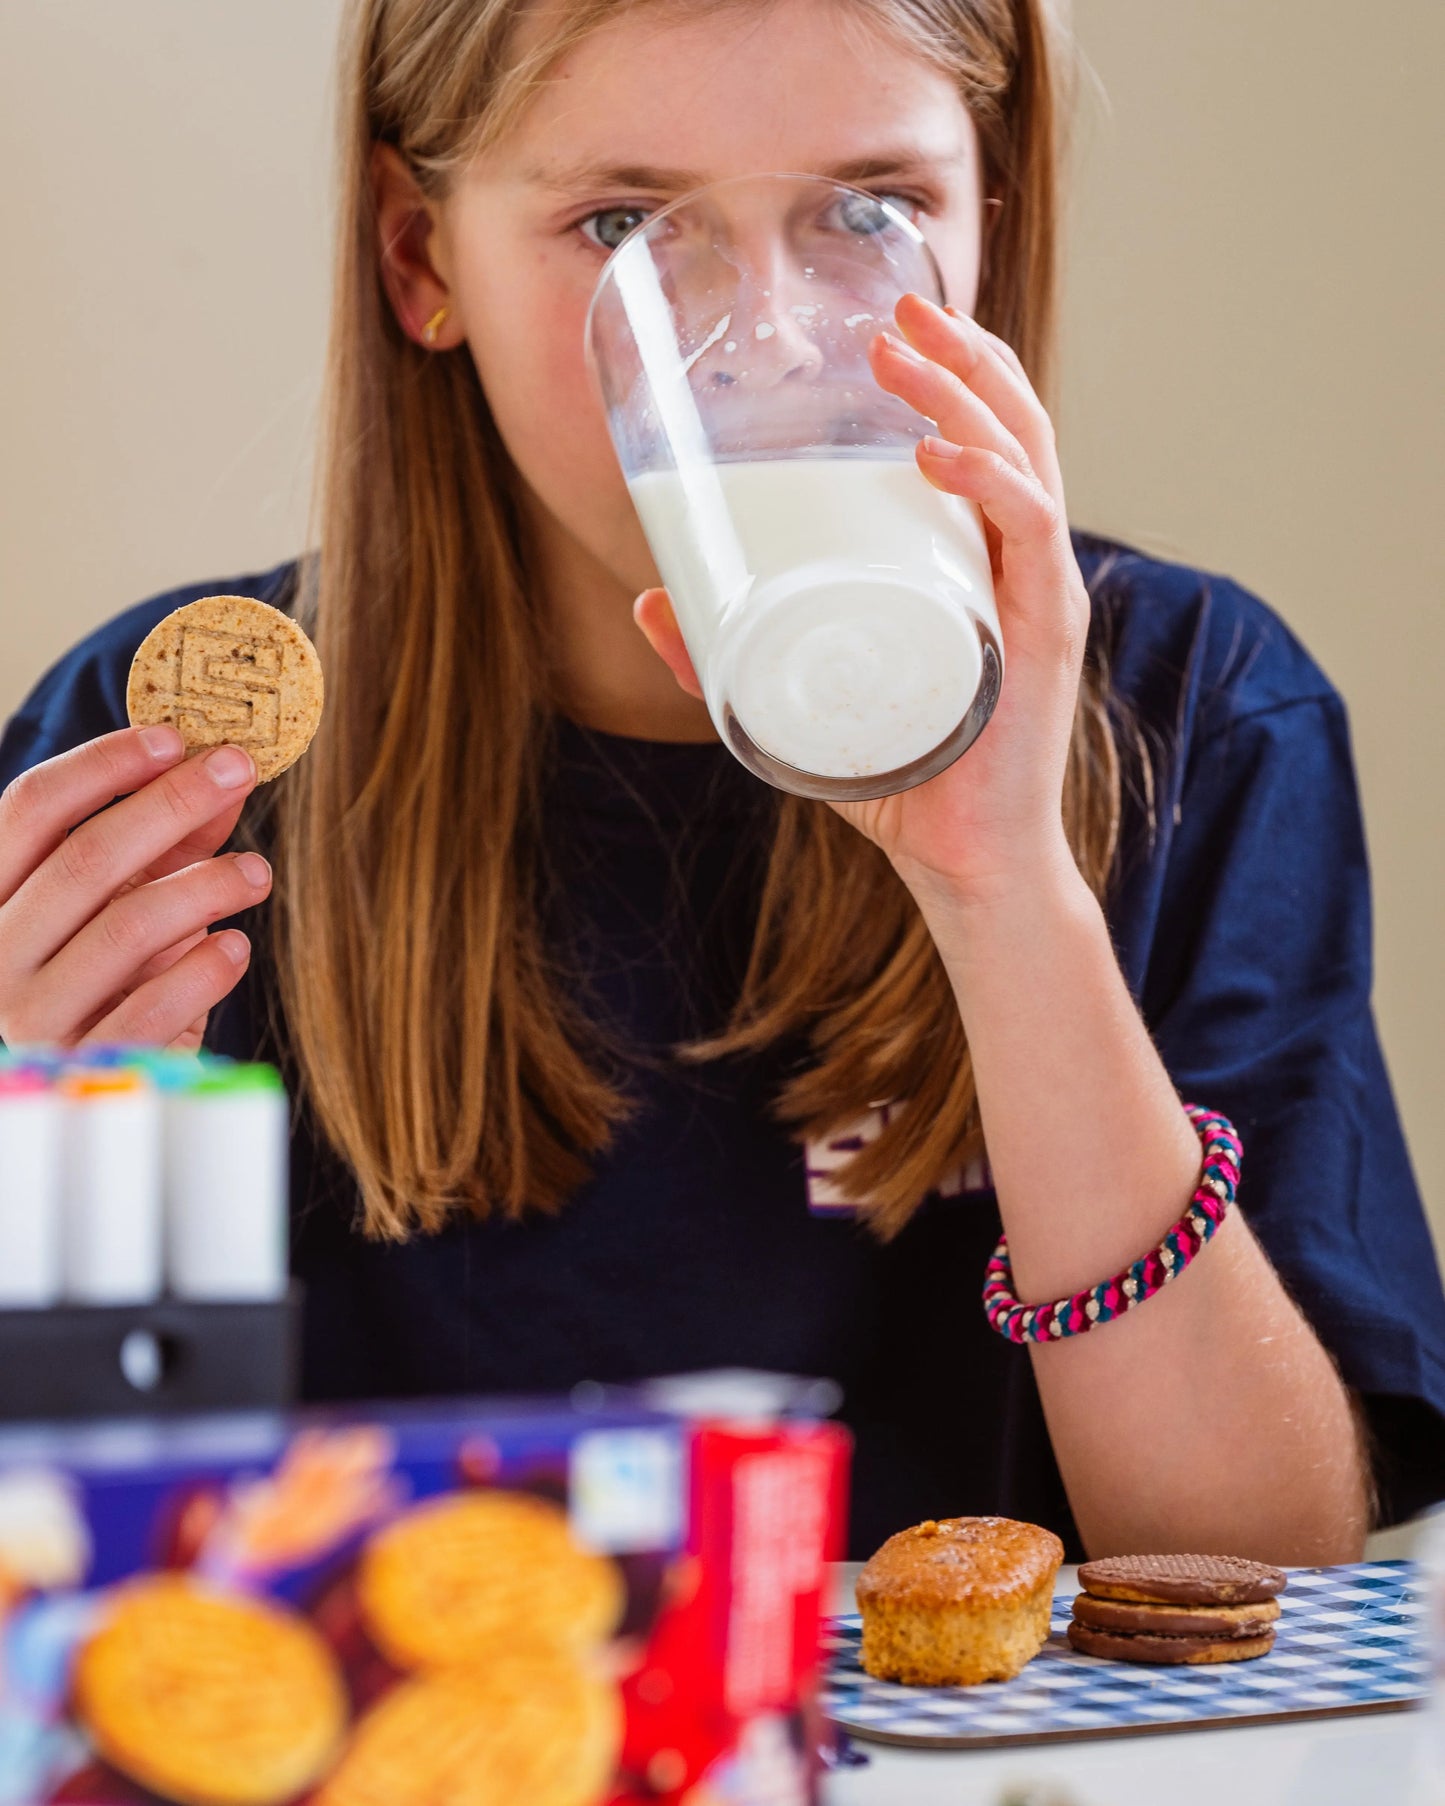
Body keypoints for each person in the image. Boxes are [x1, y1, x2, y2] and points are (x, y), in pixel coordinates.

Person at [1, 0, 1441, 1563]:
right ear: (421, 262)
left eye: (869, 213)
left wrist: (1003, 882)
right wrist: (40, 1141)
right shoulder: (176, 781)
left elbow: (1250, 1566)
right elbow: (82, 1571)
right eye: (622, 223)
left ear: (985, 224)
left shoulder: (1188, 708)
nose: (763, 334)